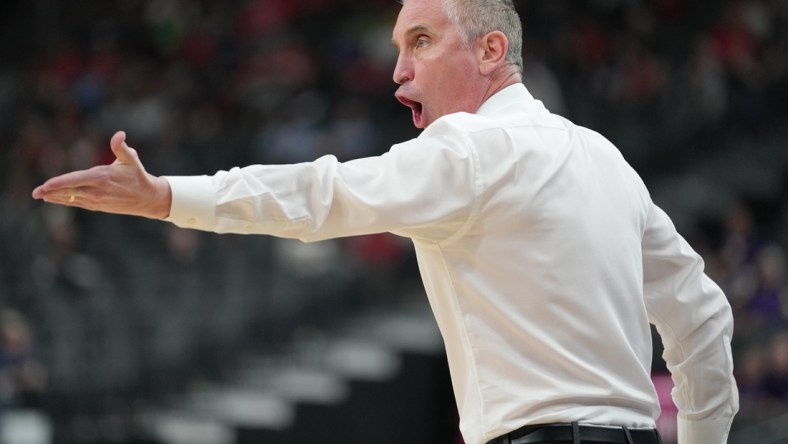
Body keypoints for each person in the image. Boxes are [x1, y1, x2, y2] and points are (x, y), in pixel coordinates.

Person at [31, 0, 738, 443]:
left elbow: (324, 194)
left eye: (422, 41)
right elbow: (703, 319)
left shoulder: (469, 147)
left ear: (491, 52)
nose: (397, 69)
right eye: (399, 46)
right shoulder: (604, 159)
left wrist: (167, 197)